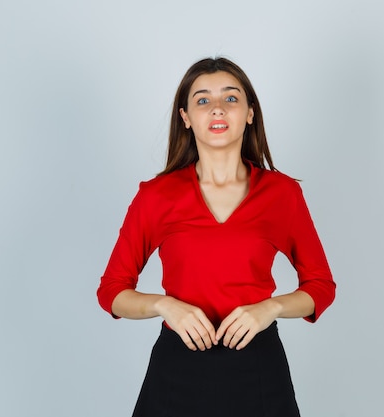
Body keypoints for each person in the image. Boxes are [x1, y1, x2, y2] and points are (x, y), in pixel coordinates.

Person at [97, 57, 336, 417]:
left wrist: (270, 308)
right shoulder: (156, 195)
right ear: (186, 118)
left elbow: (320, 285)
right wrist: (164, 305)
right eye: (203, 100)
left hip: (258, 370)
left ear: (250, 113)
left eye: (231, 98)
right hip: (177, 372)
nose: (218, 109)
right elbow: (112, 291)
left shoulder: (282, 194)